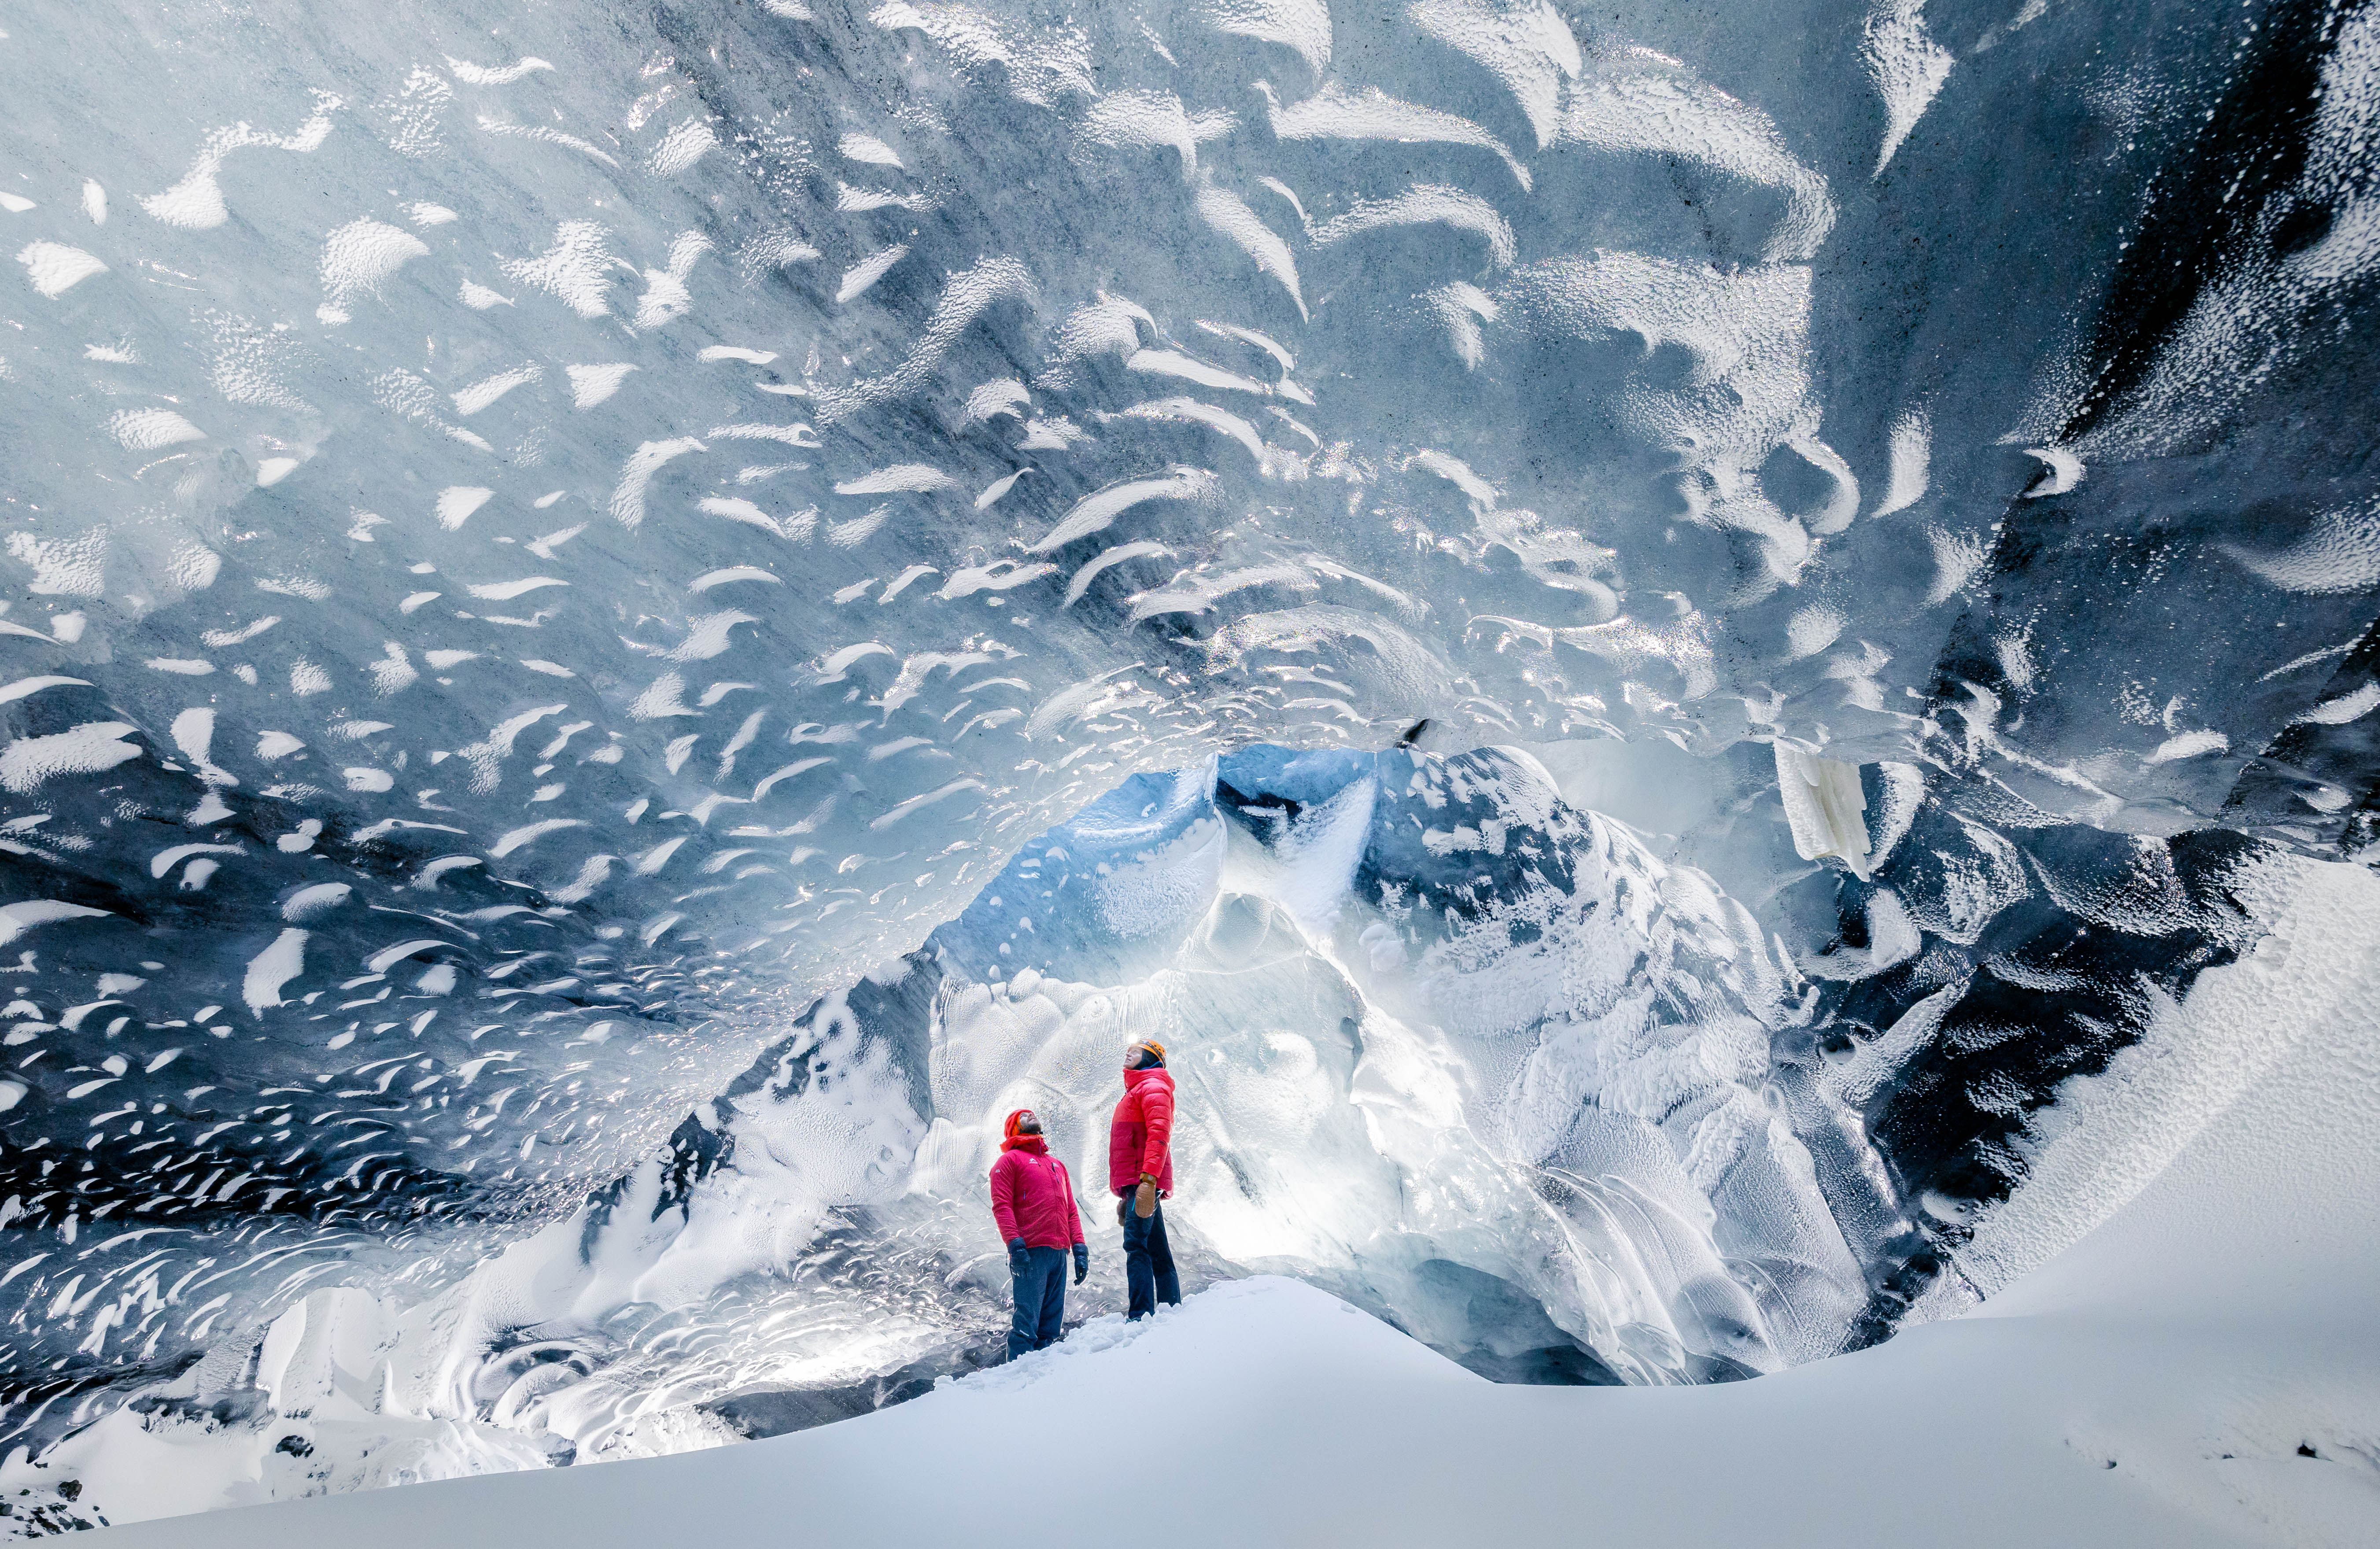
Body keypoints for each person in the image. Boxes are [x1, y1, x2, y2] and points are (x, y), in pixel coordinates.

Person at [989, 1107, 1089, 1361]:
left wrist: (1080, 1249)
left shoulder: (1057, 1165)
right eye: (1024, 1116)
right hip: (1030, 1252)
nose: (1031, 1115)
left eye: (1033, 1113)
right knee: (1027, 1323)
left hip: (1059, 1253)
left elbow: (1071, 1210)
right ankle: (1017, 1382)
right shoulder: (1009, 1161)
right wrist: (1015, 1245)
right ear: (1014, 1128)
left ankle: (1043, 1382)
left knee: (1051, 1326)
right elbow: (1002, 1205)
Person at [1109, 1040, 1181, 1319]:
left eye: (1136, 1051)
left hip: (1143, 1180)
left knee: (1136, 1245)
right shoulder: (1140, 1089)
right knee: (1156, 1247)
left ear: (1150, 1059)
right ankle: (1169, 1307)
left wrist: (1148, 1183)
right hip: (1137, 1183)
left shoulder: (1153, 1086)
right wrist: (1129, 1194)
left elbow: (1159, 1134)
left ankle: (1140, 1315)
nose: (1128, 1053)